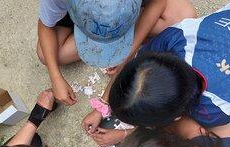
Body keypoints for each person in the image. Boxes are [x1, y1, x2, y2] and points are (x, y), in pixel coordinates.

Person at [82, 0, 230, 147]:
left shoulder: (214, 111)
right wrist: (102, 104)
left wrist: (125, 135)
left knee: (221, 137)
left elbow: (181, 128)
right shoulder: (179, 37)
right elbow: (136, 72)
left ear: (177, 116)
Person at [37, 0, 195, 105]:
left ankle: (122, 27)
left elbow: (159, 2)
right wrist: (55, 77)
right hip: (74, 14)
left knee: (184, 17)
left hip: (132, 9)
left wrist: (129, 49)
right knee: (45, 54)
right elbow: (45, 26)